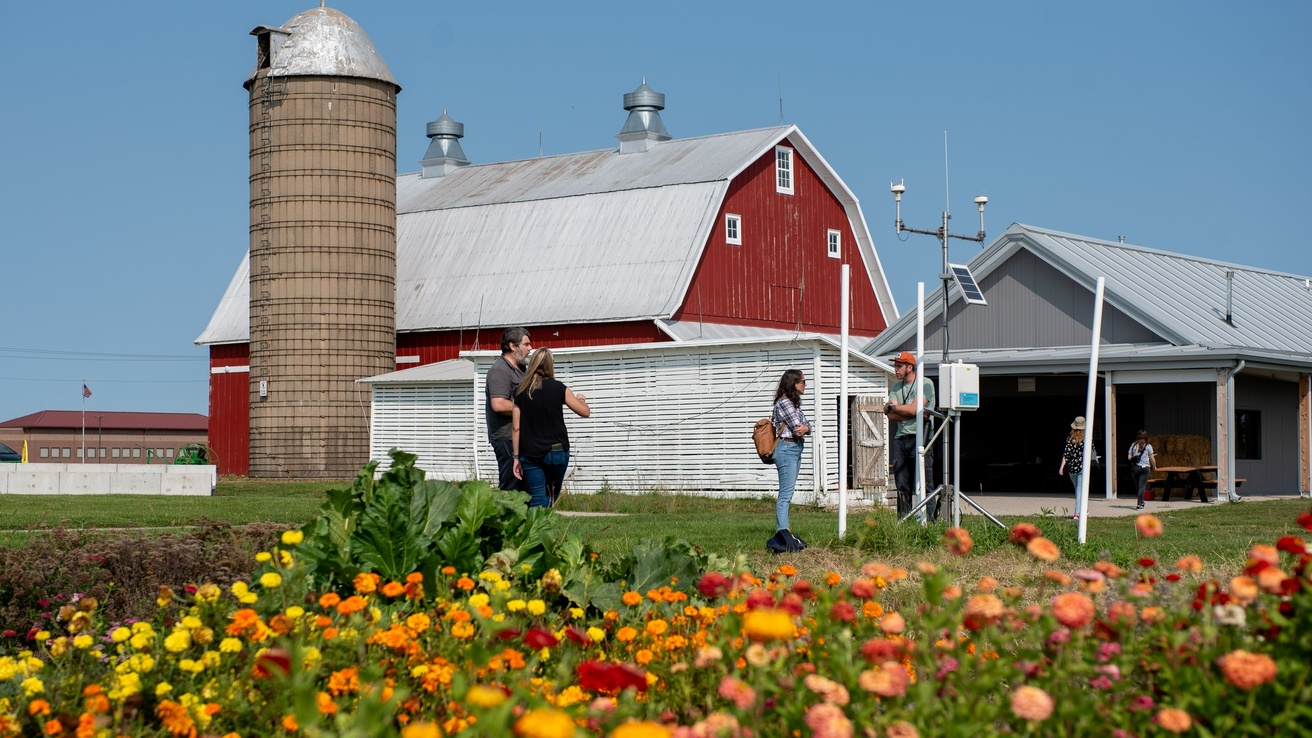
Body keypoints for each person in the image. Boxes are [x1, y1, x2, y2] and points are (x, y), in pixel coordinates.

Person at [512, 348, 590, 508]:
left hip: (530, 453)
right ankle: (547, 526)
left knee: (536, 498)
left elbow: (516, 428)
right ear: (550, 365)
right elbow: (585, 412)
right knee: (551, 494)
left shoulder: (519, 391)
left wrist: (515, 458)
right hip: (556, 450)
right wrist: (580, 398)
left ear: (532, 364)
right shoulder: (558, 388)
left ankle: (535, 529)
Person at [885, 351, 937, 520]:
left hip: (920, 439)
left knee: (925, 484)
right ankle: (904, 521)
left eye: (899, 366)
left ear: (910, 367)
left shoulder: (925, 384)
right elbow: (889, 413)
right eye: (895, 366)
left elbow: (915, 409)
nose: (896, 369)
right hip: (901, 440)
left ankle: (930, 521)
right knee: (902, 485)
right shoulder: (895, 387)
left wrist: (901, 409)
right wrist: (908, 411)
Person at [486, 327, 532, 492]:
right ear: (513, 346)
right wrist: (528, 408)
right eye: (526, 344)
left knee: (523, 485)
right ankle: (503, 516)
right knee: (511, 486)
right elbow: (498, 404)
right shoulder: (500, 370)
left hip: (519, 436)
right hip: (506, 438)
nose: (530, 348)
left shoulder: (521, 369)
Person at [771, 369, 810, 533]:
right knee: (785, 494)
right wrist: (806, 428)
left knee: (788, 491)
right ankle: (783, 531)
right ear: (793, 383)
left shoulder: (793, 403)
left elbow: (806, 425)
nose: (805, 384)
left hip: (794, 447)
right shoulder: (785, 402)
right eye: (802, 381)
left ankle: (784, 529)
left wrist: (807, 428)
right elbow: (797, 427)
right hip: (787, 448)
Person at [1058, 416, 1094, 520]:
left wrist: (1061, 467)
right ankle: (1078, 513)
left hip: (1072, 469)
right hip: (1082, 468)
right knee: (1079, 491)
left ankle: (1082, 509)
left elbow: (1066, 454)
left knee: (1078, 490)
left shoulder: (1070, 439)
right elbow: (1091, 452)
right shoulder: (1087, 439)